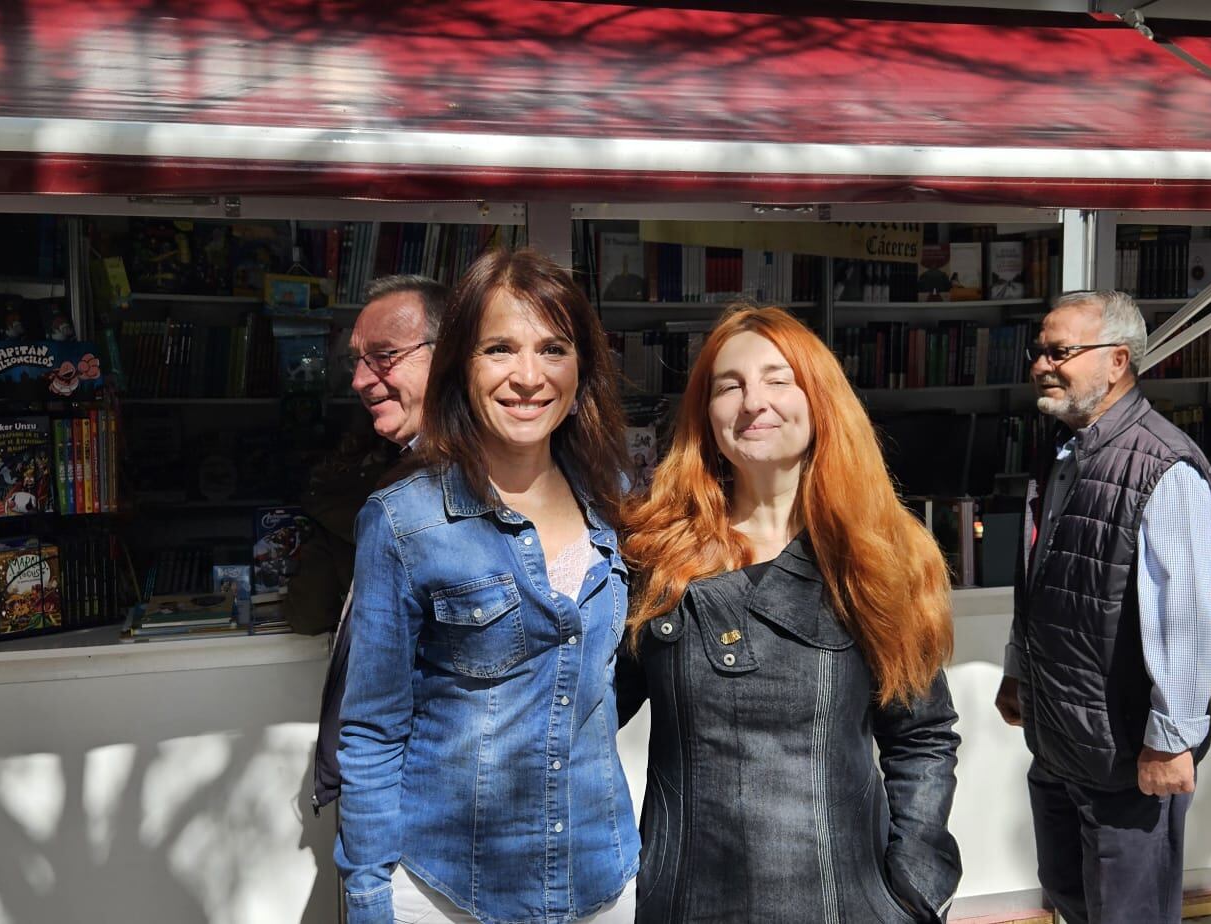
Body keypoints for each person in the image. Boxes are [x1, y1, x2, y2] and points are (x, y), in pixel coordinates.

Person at [618, 305, 962, 922]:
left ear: (820, 399)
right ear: (706, 414)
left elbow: (922, 738)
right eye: (730, 385)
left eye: (779, 380)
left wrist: (913, 883)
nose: (755, 402)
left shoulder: (881, 558)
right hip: (686, 905)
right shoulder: (656, 558)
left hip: (843, 904)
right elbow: (584, 716)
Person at [335, 248, 637, 924]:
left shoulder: (615, 503)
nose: (528, 377)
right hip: (448, 891)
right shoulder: (404, 520)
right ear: (461, 368)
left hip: (601, 879)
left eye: (553, 348)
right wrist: (367, 895)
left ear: (581, 368)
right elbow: (372, 732)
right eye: (499, 348)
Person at [993, 290, 1211, 924]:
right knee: (1068, 895)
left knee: (1129, 915)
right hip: (1061, 739)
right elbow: (1041, 583)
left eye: (1059, 351)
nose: (1041, 364)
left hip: (1129, 757)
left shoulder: (1163, 464)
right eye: (1039, 351)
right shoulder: (1061, 449)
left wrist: (1173, 740)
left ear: (1117, 361)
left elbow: (1184, 615)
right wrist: (1019, 670)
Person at [300, 274, 448, 815]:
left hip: (424, 807)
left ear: (450, 353)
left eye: (385, 356)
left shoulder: (474, 486)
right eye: (358, 361)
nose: (361, 380)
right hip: (388, 794)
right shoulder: (397, 481)